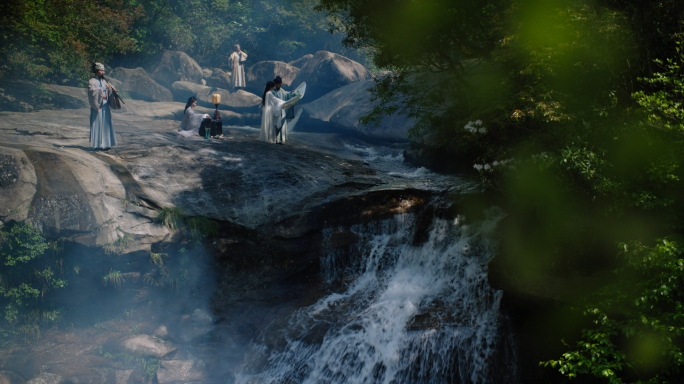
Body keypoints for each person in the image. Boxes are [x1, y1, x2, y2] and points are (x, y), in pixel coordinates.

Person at [88, 63, 117, 150]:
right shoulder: (92, 81)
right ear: (96, 71)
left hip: (105, 103)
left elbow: (109, 89)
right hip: (97, 104)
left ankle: (106, 144)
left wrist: (112, 89)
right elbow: (92, 92)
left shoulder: (104, 81)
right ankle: (97, 145)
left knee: (106, 124)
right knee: (97, 124)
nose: (103, 72)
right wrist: (104, 88)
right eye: (101, 70)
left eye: (103, 70)